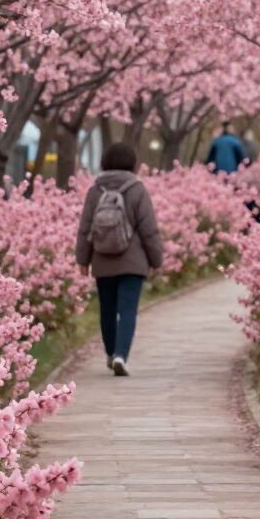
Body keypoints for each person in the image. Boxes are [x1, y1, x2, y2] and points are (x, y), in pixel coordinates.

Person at [75, 142, 164, 376]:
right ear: (133, 164)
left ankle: (110, 352)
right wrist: (156, 260)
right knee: (127, 309)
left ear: (104, 162)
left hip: (102, 259)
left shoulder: (95, 190)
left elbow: (85, 227)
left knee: (107, 309)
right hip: (133, 261)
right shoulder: (137, 189)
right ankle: (121, 355)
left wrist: (83, 259)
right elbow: (148, 229)